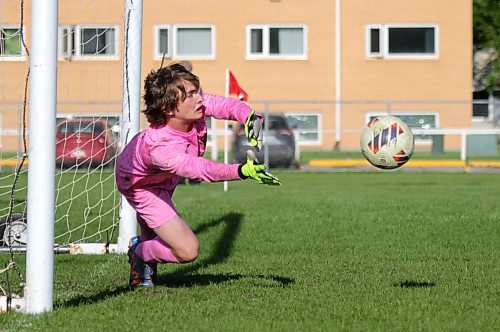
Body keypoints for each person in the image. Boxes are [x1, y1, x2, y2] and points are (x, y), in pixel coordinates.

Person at [115, 63, 280, 287]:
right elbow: (200, 169)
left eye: (197, 91)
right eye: (191, 95)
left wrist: (249, 117)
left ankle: (143, 265)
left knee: (151, 230)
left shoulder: (195, 107)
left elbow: (226, 105)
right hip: (139, 184)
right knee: (187, 249)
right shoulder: (161, 148)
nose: (200, 99)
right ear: (168, 108)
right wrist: (240, 170)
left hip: (161, 176)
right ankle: (139, 253)